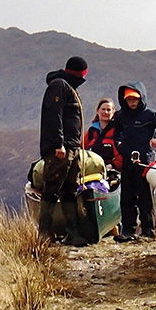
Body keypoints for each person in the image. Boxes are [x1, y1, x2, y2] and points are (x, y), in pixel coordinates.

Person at [38, 55, 89, 246]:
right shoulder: (59, 86)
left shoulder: (68, 87)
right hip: (62, 149)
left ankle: (72, 234)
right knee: (52, 187)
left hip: (72, 148)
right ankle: (43, 234)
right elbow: (53, 116)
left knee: (70, 189)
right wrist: (58, 144)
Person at [113, 81, 156, 241]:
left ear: (141, 98)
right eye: (129, 99)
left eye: (135, 98)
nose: (132, 102)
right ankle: (128, 231)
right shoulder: (121, 116)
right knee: (126, 196)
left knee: (145, 197)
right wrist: (119, 144)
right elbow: (116, 132)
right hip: (127, 160)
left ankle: (148, 231)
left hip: (145, 162)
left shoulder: (150, 115)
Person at [83, 97, 122, 170]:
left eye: (108, 110)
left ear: (113, 112)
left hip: (111, 170)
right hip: (91, 169)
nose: (105, 112)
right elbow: (81, 149)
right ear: (97, 111)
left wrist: (113, 165)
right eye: (103, 109)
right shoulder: (92, 131)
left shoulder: (117, 131)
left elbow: (122, 152)